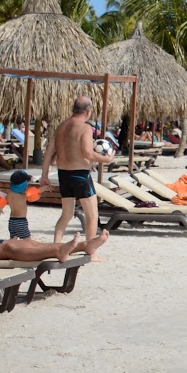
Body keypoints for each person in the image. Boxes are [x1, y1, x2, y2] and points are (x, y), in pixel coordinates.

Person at [40, 95, 110, 258]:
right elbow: (88, 152)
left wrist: (44, 175)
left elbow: (49, 152)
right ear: (88, 111)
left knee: (67, 215)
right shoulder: (84, 128)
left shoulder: (61, 127)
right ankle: (90, 252)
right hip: (80, 175)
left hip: (63, 174)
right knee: (92, 215)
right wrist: (106, 159)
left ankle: (56, 247)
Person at [4, 169, 34, 240]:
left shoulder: (9, 194)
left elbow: (2, 201)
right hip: (21, 221)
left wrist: (0, 209)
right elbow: (35, 192)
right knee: (27, 241)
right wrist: (44, 188)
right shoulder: (21, 197)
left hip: (11, 221)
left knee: (13, 241)